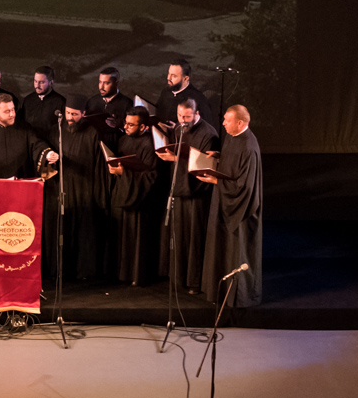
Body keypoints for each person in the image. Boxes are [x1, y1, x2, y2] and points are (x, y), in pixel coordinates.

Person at [196, 104, 264, 308]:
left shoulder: (249, 147)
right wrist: (219, 156)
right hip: (223, 202)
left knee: (236, 249)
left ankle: (238, 297)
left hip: (239, 210)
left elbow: (244, 187)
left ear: (240, 123)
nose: (223, 123)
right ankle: (220, 291)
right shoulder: (233, 137)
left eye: (227, 120)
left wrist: (216, 182)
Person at [156, 96, 218, 294]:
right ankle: (178, 278)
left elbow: (206, 166)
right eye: (181, 116)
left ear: (197, 114)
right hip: (179, 190)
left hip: (197, 194)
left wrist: (175, 157)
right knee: (179, 237)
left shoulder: (209, 134)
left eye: (188, 117)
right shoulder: (178, 129)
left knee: (194, 239)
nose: (184, 121)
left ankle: (194, 282)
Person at [47, 96, 106, 283]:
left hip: (84, 189)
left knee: (83, 231)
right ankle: (59, 270)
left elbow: (98, 166)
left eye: (74, 114)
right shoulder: (55, 130)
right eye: (67, 113)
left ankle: (83, 272)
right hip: (60, 188)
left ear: (84, 114)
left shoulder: (92, 133)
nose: (70, 118)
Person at [104, 109, 160, 286]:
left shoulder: (149, 145)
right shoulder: (123, 139)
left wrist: (124, 172)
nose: (125, 127)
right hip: (121, 193)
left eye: (130, 124)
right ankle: (118, 273)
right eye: (125, 123)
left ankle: (135, 275)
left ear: (143, 126)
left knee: (135, 239)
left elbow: (151, 176)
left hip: (139, 201)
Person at [0, 94, 57, 182]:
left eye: (13, 109)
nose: (12, 114)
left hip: (22, 183)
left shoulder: (24, 127)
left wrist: (48, 154)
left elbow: (37, 144)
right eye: (7, 111)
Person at [154, 60, 206, 132]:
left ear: (185, 78)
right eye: (169, 74)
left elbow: (203, 128)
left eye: (174, 76)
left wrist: (178, 128)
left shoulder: (198, 98)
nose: (168, 78)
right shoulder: (165, 92)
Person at [19, 66, 64, 137]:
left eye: (41, 82)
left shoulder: (60, 102)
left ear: (51, 82)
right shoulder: (28, 100)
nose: (37, 85)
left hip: (51, 145)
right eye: (35, 81)